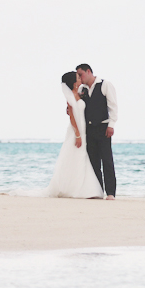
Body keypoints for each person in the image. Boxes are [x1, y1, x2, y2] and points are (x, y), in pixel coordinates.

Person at [43, 71, 104, 199]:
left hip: (84, 129)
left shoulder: (81, 93)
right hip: (76, 131)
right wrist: (77, 135)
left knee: (82, 156)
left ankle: (83, 187)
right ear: (73, 81)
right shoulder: (70, 96)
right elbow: (72, 117)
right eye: (77, 77)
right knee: (77, 155)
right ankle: (78, 189)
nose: (80, 79)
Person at [69, 63, 118, 200]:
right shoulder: (82, 89)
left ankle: (110, 193)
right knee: (93, 162)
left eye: (81, 74)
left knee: (107, 161)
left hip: (103, 128)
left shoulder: (105, 84)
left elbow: (113, 106)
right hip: (89, 130)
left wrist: (111, 125)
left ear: (89, 71)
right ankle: (97, 191)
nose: (79, 77)